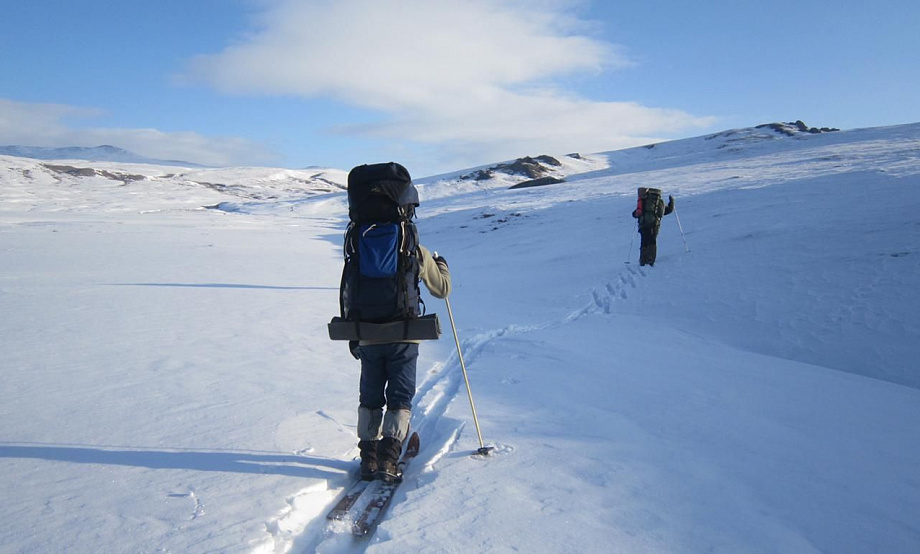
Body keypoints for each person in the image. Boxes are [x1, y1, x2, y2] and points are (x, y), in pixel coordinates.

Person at [344, 163, 452, 481]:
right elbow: (441, 289)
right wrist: (441, 265)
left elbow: (349, 291)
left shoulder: (356, 246)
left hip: (366, 333)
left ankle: (368, 459)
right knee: (400, 398)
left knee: (370, 397)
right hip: (404, 333)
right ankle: (390, 459)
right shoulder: (412, 248)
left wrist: (354, 333)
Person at [632, 187, 675, 266]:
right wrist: (671, 202)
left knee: (644, 241)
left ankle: (643, 260)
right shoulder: (659, 202)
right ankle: (650, 259)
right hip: (653, 224)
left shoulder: (643, 200)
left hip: (642, 225)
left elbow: (635, 213)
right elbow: (665, 212)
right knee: (652, 241)